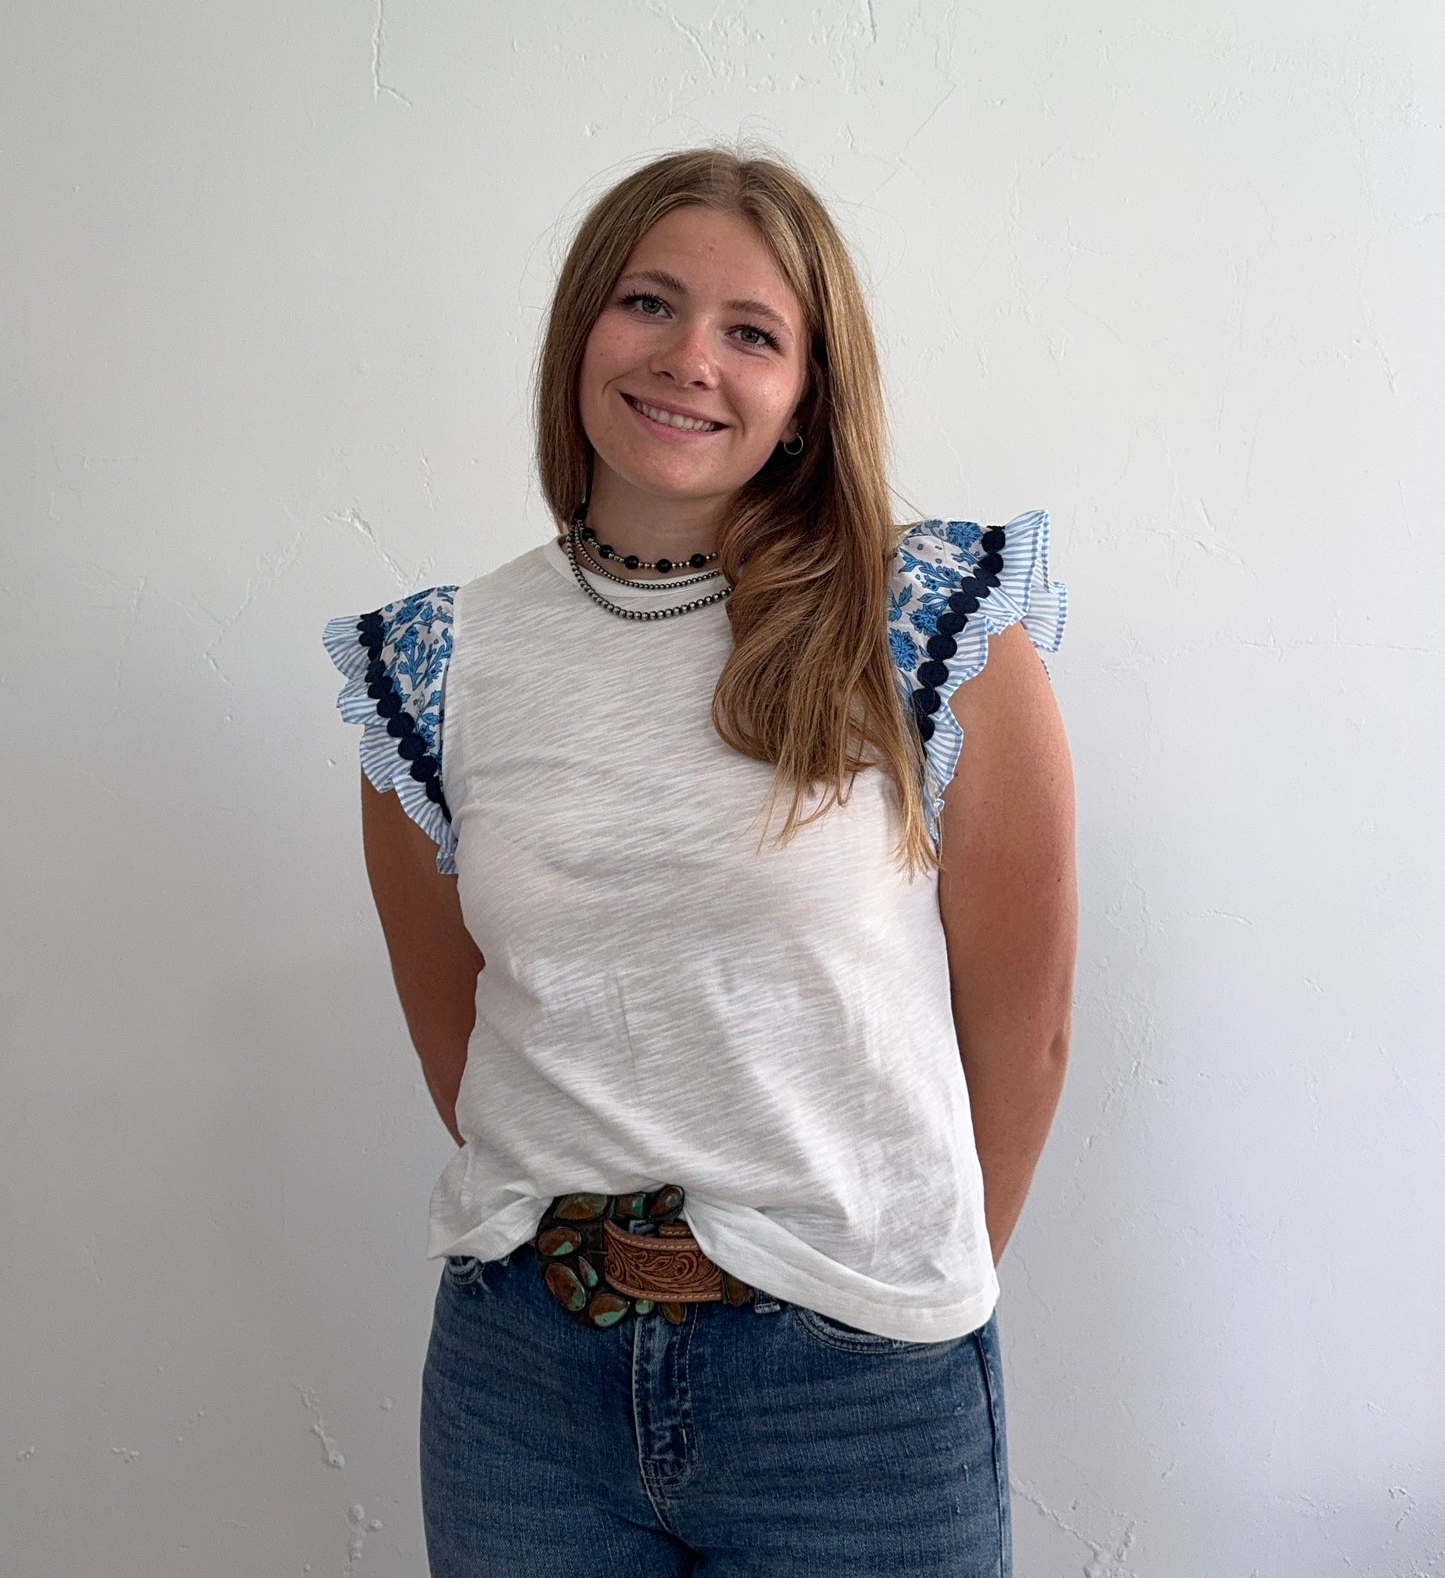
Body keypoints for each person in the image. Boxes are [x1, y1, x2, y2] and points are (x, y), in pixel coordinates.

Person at [322, 145, 1076, 1577]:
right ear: (580, 333)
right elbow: (470, 1045)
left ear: (806, 392)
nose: (688, 361)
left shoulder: (931, 619)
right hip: (523, 1382)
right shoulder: (429, 667)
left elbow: (1023, 1031)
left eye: (751, 332)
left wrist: (903, 1287)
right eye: (648, 304)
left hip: (855, 1395)